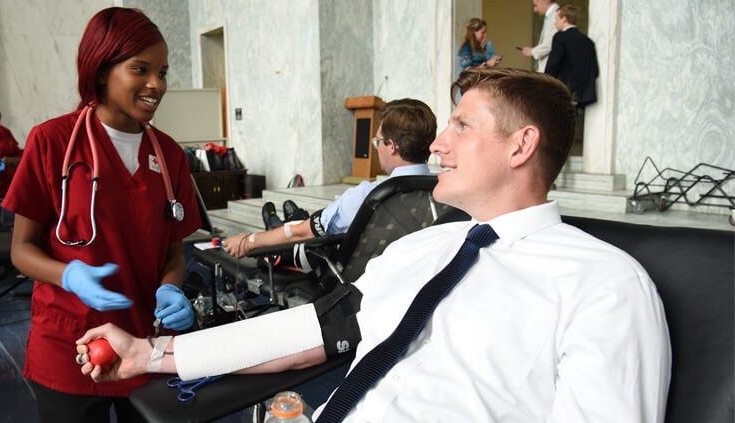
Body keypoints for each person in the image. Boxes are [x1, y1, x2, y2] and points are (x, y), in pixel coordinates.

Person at [75, 68, 671, 422]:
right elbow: (310, 330)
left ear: (520, 147)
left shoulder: (605, 285)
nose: (437, 142)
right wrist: (148, 355)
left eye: (461, 125)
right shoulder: (424, 249)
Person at [0, 7, 201, 421]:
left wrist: (172, 287)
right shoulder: (52, 142)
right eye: (140, 69)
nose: (156, 85)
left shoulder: (170, 155)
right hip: (68, 347)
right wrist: (68, 275)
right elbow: (21, 250)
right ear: (100, 70)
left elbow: (174, 254)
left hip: (144, 347)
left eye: (162, 72)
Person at [222, 99, 435, 260]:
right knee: (306, 219)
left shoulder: (368, 195)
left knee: (298, 224)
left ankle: (277, 222)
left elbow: (301, 233)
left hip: (332, 263)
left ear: (392, 145)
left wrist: (248, 241)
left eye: (377, 141)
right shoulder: (441, 191)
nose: (376, 147)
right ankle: (290, 217)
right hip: (406, 273)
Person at [545, 5, 599, 108]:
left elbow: (553, 64)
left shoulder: (560, 37)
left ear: (564, 19)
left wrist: (545, 81)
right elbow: (595, 71)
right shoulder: (588, 42)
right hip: (583, 96)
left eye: (557, 19)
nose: (555, 22)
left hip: (564, 93)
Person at [520, 0, 559, 72]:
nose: (535, 10)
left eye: (536, 5)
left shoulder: (556, 15)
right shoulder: (550, 16)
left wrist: (531, 51)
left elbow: (552, 43)